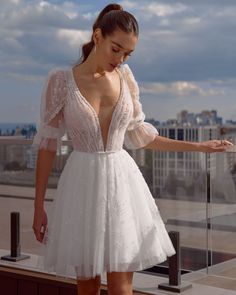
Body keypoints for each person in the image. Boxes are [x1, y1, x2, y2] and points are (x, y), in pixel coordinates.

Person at [32, 3, 233, 295]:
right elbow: (48, 145)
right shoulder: (61, 81)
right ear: (97, 36)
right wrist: (38, 206)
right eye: (116, 49)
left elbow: (142, 136)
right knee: (86, 285)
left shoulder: (126, 79)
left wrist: (199, 146)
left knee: (121, 285)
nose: (121, 58)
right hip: (81, 186)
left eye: (128, 53)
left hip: (122, 186)